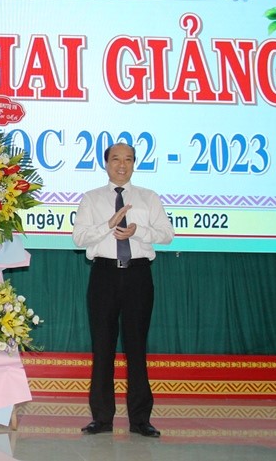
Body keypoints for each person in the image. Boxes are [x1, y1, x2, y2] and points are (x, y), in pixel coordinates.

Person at [71, 142, 174, 438]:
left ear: (134, 164)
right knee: (102, 348)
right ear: (105, 163)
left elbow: (167, 235)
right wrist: (109, 224)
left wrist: (138, 230)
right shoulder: (91, 199)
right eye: (116, 158)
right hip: (103, 275)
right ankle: (101, 419)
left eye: (128, 159)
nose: (122, 164)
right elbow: (79, 238)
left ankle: (141, 420)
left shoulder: (148, 198)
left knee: (136, 348)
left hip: (138, 276)